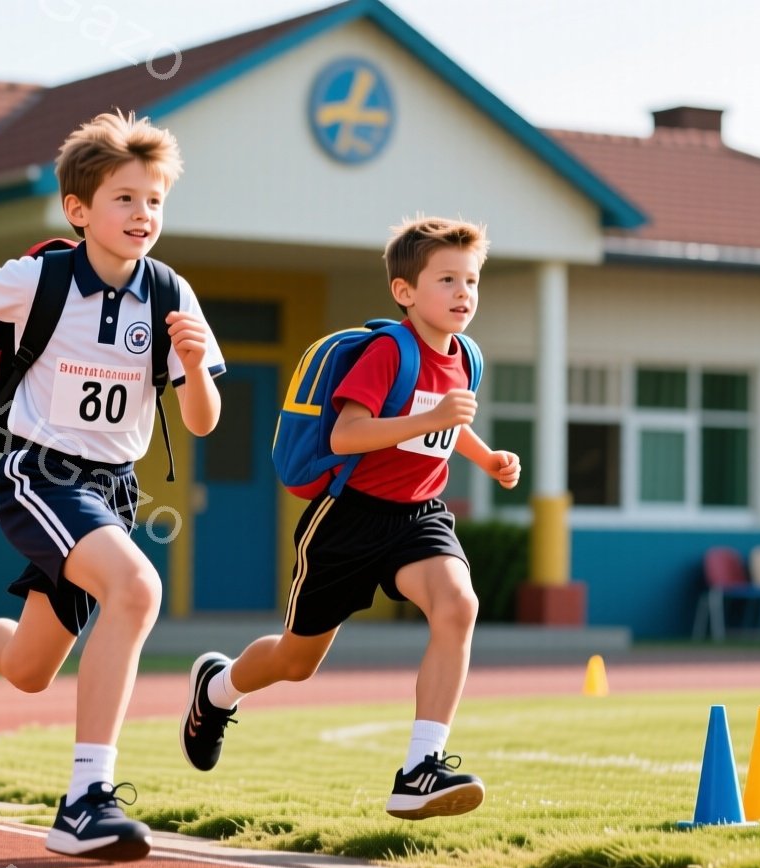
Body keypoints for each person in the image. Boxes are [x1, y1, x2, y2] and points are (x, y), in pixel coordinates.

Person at [0, 111, 224, 861]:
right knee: (136, 590)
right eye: (124, 198)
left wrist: (194, 365)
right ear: (78, 210)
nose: (142, 214)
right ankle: (85, 800)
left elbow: (203, 422)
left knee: (29, 669)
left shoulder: (172, 295)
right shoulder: (41, 278)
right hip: (39, 472)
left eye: (154, 200)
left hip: (114, 492)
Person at [179, 216, 520, 821]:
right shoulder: (390, 352)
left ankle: (420, 768)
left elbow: (447, 421)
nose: (463, 292)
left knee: (458, 605)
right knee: (295, 662)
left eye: (471, 280)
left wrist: (486, 457)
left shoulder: (466, 357)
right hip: (347, 520)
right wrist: (433, 419)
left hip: (419, 515)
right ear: (404, 291)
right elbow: (348, 433)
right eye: (447, 280)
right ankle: (218, 688)